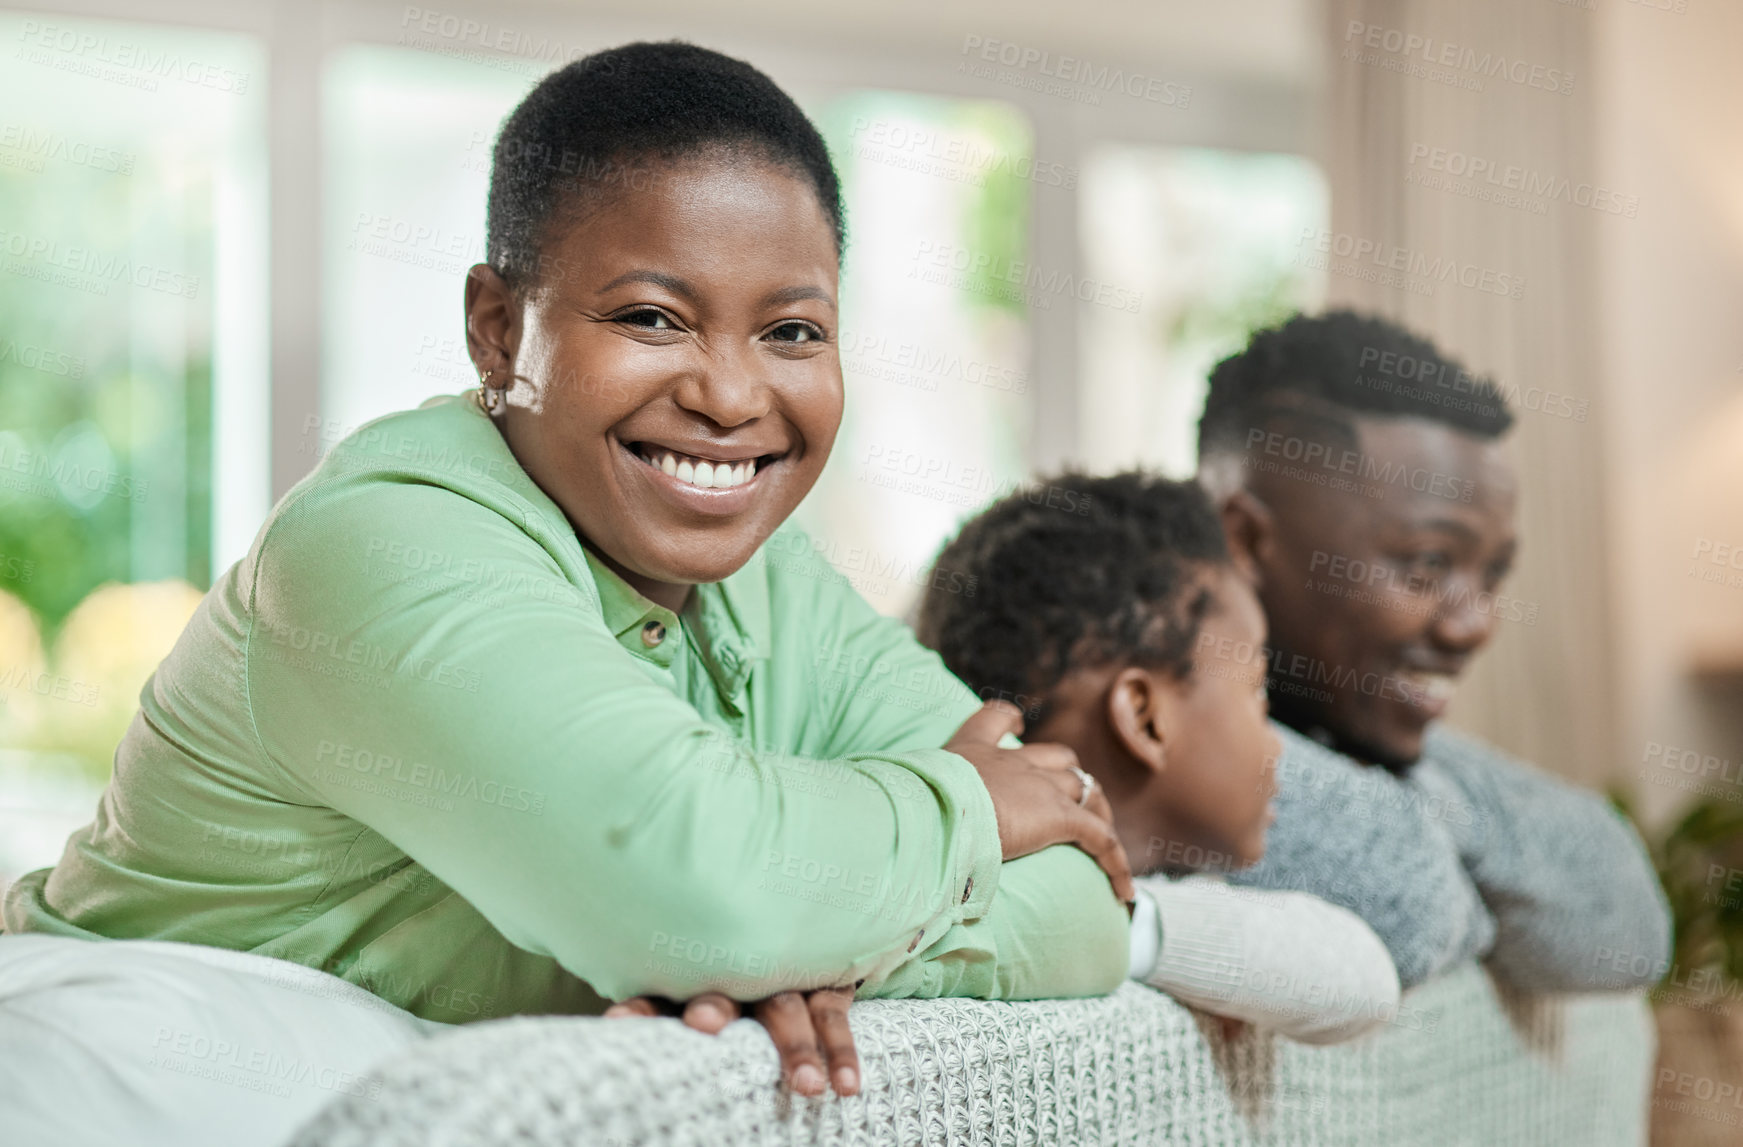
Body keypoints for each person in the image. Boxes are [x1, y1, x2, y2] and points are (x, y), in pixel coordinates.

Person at [1, 42, 1143, 1101]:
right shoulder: (381, 544)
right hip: (123, 1087)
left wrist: (805, 934)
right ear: (498, 330)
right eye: (653, 317)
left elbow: (1088, 903)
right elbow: (704, 891)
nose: (733, 396)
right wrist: (924, 840)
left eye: (793, 332)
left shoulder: (774, 583)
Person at [1194, 310, 1671, 991]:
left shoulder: (1338, 711)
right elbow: (1413, 905)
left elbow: (1625, 929)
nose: (1472, 625)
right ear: (1242, 539)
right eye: (1426, 565)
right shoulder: (1114, 711)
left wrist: (1434, 814)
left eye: (1493, 573)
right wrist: (1467, 879)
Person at [915, 471, 1401, 1044]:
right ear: (1145, 719)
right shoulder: (973, 885)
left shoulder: (1186, 896)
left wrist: (1113, 925)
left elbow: (1358, 974)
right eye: (1256, 690)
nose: (1277, 746)